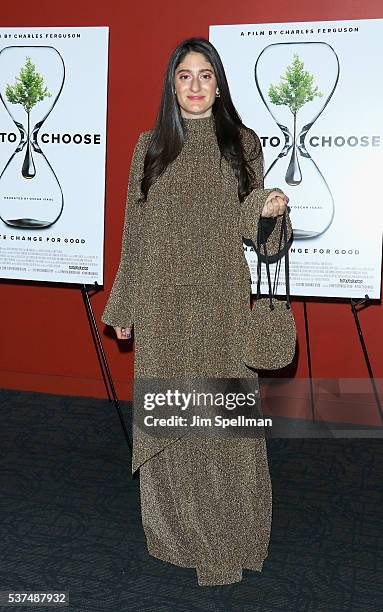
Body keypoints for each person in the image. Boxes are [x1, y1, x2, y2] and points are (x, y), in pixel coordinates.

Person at [101, 37, 292, 586]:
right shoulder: (150, 146)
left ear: (219, 83)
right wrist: (125, 302)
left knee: (226, 432)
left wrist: (269, 211)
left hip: (222, 306)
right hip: (162, 307)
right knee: (174, 425)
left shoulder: (243, 145)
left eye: (205, 75)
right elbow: (134, 234)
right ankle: (180, 539)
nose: (195, 85)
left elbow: (265, 242)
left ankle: (231, 538)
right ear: (171, 85)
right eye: (184, 76)